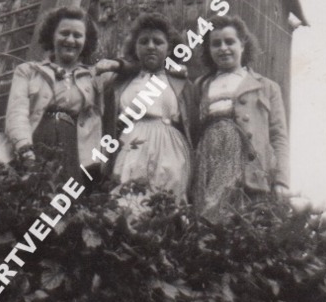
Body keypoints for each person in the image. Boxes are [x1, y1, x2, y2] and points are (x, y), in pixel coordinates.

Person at [0, 7, 118, 178]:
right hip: (33, 142)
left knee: (64, 198)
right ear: (52, 35)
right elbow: (17, 112)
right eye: (64, 33)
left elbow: (138, 67)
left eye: (77, 35)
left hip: (72, 148)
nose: (70, 40)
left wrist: (115, 64)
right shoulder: (28, 71)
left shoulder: (94, 77)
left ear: (85, 41)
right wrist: (24, 147)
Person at [191, 16, 289, 221]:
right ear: (209, 50)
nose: (223, 48)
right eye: (216, 44)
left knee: (247, 227)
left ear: (243, 44)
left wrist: (281, 180)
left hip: (250, 171)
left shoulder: (267, 86)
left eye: (230, 42)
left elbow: (279, 137)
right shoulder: (200, 86)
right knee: (208, 223)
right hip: (208, 166)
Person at [105, 13, 194, 204]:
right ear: (135, 47)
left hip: (169, 148)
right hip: (130, 144)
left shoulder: (181, 83)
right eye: (144, 41)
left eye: (158, 42)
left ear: (169, 48)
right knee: (126, 201)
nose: (151, 46)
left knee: (166, 201)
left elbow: (192, 123)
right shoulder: (120, 82)